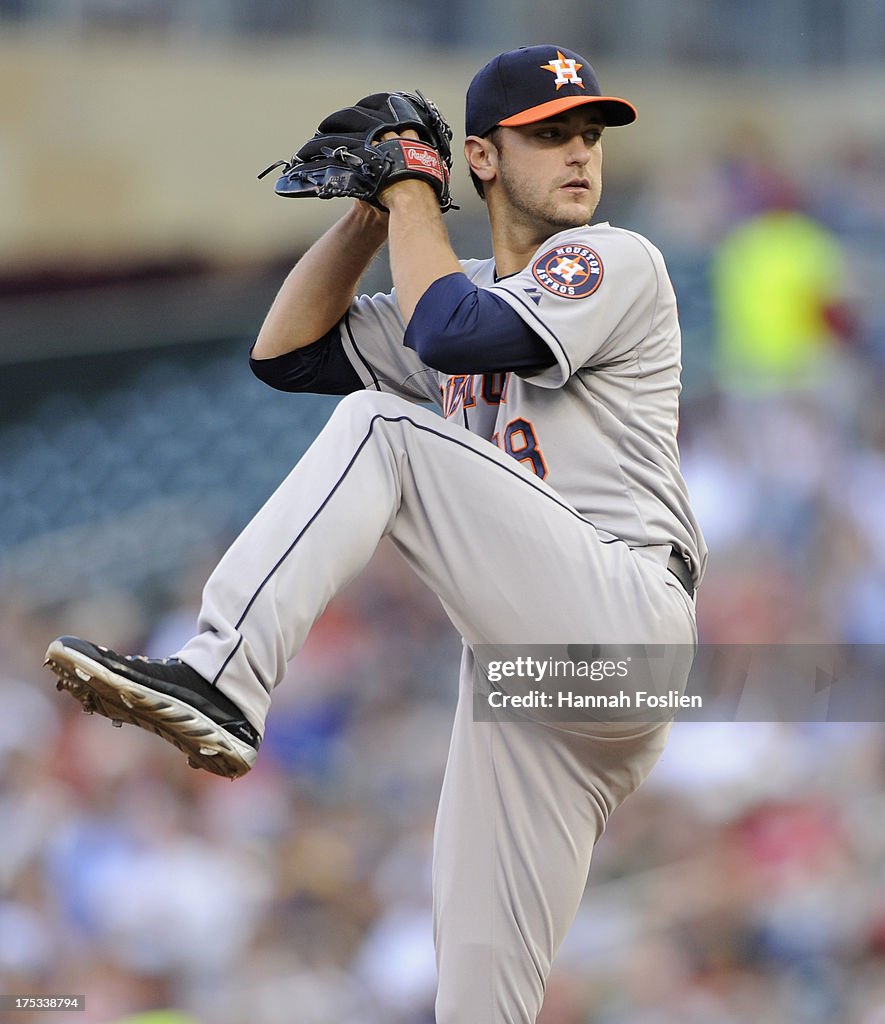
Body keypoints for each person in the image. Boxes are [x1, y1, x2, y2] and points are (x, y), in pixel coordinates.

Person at [46, 45, 706, 1024]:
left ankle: (225, 674)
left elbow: (456, 336)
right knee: (476, 1002)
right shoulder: (457, 280)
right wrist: (370, 208)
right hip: (528, 684)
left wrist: (409, 199)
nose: (580, 153)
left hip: (626, 616)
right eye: (549, 133)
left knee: (384, 429)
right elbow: (288, 354)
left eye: (589, 133)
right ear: (480, 157)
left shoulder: (609, 257)